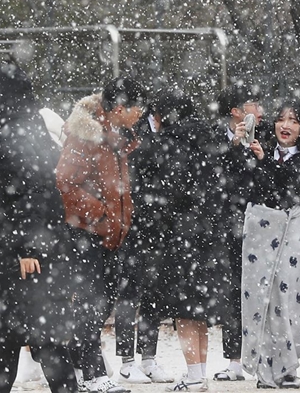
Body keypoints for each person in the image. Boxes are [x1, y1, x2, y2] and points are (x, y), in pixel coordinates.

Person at [0, 63, 77, 393]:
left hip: (23, 263)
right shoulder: (14, 130)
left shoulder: (16, 135)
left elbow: (35, 194)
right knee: (17, 345)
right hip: (15, 258)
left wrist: (29, 247)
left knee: (40, 344)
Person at [56, 75, 148, 393]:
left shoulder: (118, 134)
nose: (142, 113)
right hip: (85, 234)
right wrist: (102, 216)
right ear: (120, 107)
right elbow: (65, 181)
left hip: (108, 235)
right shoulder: (87, 135)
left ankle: (78, 368)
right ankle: (92, 374)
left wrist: (116, 221)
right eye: (138, 107)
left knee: (101, 303)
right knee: (90, 304)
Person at [135, 88, 226, 392]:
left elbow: (169, 194)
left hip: (181, 236)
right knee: (199, 309)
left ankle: (195, 375)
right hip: (210, 235)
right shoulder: (208, 140)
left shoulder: (170, 145)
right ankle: (200, 374)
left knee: (185, 311)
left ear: (162, 115)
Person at [240, 100, 300, 389]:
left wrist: (264, 162)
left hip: (289, 234)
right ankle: (265, 368)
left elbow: (287, 190)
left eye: (293, 121)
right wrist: (240, 143)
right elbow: (247, 185)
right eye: (281, 119)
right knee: (261, 299)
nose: (285, 125)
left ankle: (288, 367)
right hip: (259, 236)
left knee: (286, 298)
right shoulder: (257, 148)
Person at [211, 82, 268, 382]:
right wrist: (234, 146)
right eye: (253, 104)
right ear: (235, 111)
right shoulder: (213, 138)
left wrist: (262, 157)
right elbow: (214, 178)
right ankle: (234, 360)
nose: (259, 111)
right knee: (233, 290)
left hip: (263, 223)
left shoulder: (271, 135)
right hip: (228, 225)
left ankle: (265, 358)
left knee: (263, 291)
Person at [114, 105, 174, 385]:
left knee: (154, 293)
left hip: (158, 226)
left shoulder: (165, 134)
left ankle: (148, 358)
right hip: (132, 225)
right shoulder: (129, 134)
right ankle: (127, 362)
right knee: (129, 294)